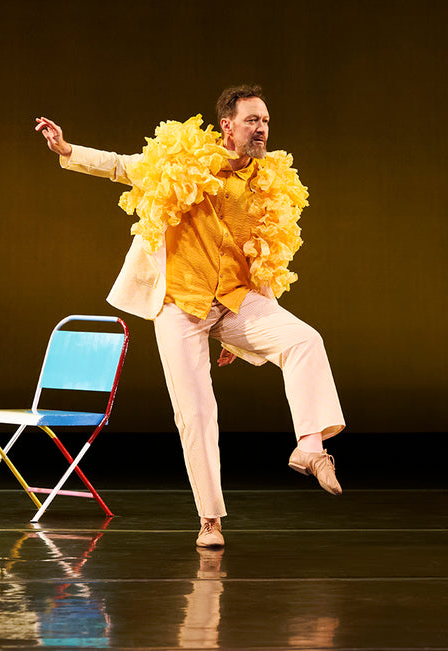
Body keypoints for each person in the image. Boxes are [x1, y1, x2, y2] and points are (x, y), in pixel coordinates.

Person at [35, 85, 346, 549]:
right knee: (196, 413)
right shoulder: (186, 158)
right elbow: (124, 166)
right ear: (227, 125)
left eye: (265, 122)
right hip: (179, 306)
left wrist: (240, 338)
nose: (261, 129)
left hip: (236, 300)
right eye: (252, 121)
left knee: (304, 339)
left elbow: (263, 255)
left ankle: (311, 447)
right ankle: (210, 520)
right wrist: (68, 149)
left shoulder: (268, 182)